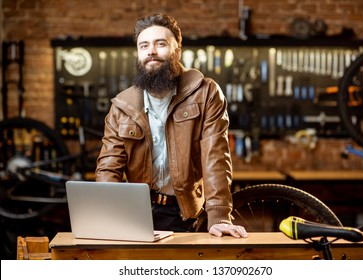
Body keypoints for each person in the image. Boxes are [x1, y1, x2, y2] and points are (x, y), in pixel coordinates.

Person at [95, 13, 248, 238]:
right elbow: (109, 167)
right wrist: (106, 214)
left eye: (161, 44)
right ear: (138, 54)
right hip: (136, 213)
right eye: (144, 45)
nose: (151, 51)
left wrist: (218, 215)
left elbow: (215, 157)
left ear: (177, 51)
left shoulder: (205, 93)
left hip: (185, 212)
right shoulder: (121, 106)